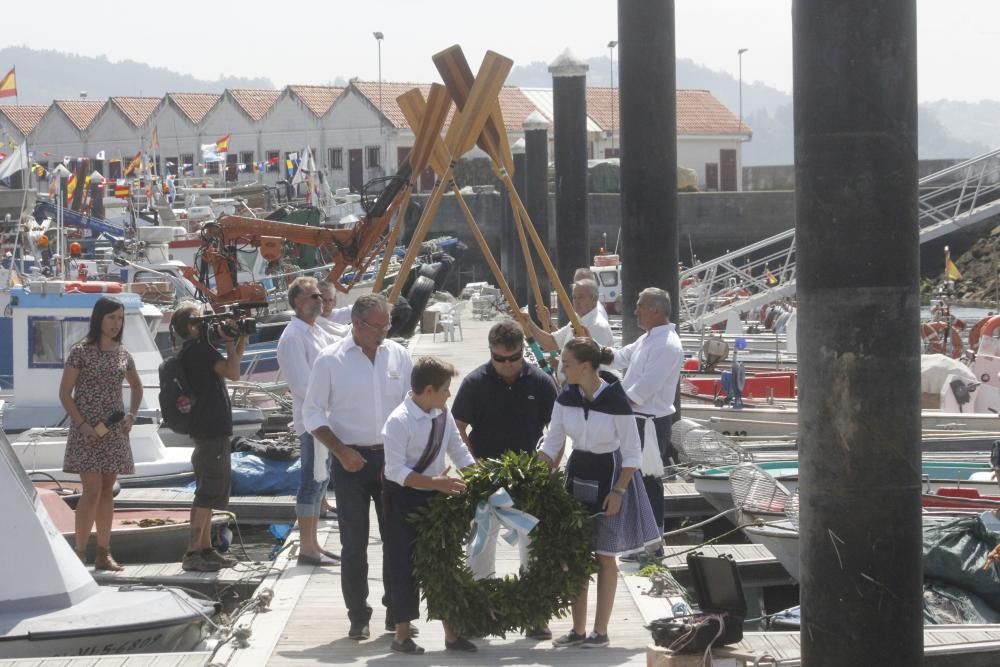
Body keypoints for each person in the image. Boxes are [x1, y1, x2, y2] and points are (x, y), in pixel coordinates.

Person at [303, 293, 413, 640]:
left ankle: (396, 614)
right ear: (356, 323)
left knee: (397, 540)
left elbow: (413, 407)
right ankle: (357, 615)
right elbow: (312, 415)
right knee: (354, 544)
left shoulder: (399, 355)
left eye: (387, 325)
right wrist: (340, 450)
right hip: (349, 459)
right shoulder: (329, 360)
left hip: (392, 460)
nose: (382, 333)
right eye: (376, 326)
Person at [540, 338, 661, 648]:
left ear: (585, 366)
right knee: (577, 556)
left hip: (610, 476)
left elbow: (632, 453)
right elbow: (552, 444)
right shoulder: (565, 397)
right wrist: (530, 473)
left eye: (566, 363)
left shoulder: (616, 401)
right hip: (577, 473)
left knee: (605, 556)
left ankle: (601, 631)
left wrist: (619, 491)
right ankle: (578, 630)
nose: (561, 368)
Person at [451, 319, 557, 640]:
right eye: (500, 359)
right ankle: (482, 612)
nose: (508, 365)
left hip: (528, 477)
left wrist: (549, 465)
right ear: (491, 353)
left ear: (522, 352)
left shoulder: (541, 382)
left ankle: (535, 615)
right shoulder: (474, 383)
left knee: (532, 547)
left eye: (514, 358)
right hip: (486, 478)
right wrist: (471, 466)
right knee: (480, 546)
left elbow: (558, 428)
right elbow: (457, 427)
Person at [382, 357, 478, 654]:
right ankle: (401, 636)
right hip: (401, 498)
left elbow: (457, 449)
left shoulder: (441, 413)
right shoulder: (398, 421)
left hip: (436, 493)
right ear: (427, 390)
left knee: (443, 562)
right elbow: (393, 471)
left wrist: (478, 477)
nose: (449, 394)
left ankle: (451, 635)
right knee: (403, 565)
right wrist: (435, 483)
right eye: (445, 389)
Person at [59, 297, 143, 571]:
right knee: (91, 491)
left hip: (114, 428)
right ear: (99, 319)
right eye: (111, 318)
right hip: (87, 430)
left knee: (108, 490)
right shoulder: (80, 351)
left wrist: (132, 415)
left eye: (119, 318)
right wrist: (82, 424)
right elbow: (64, 394)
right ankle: (80, 552)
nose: (116, 324)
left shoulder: (123, 353)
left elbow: (137, 387)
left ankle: (104, 553)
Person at [605, 287, 684, 556]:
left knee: (647, 480)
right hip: (637, 420)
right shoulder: (647, 339)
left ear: (656, 310)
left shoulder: (667, 345)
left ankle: (652, 543)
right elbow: (619, 357)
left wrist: (606, 405)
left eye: (640, 306)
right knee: (634, 479)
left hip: (650, 423)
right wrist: (594, 351)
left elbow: (642, 391)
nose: (635, 310)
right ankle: (641, 539)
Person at [170, 302, 247, 572]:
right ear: (192, 326)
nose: (210, 322)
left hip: (210, 430)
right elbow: (234, 372)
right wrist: (229, 342)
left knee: (212, 494)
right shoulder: (200, 351)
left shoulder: (197, 350)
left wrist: (241, 339)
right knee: (207, 494)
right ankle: (193, 553)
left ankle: (205, 548)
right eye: (204, 319)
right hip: (210, 431)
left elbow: (230, 367)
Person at [276, 276, 340, 566]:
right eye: (314, 297)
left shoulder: (315, 330)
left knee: (322, 478)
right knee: (311, 482)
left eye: (320, 296)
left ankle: (313, 543)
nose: (320, 301)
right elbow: (300, 385)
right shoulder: (292, 337)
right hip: (311, 421)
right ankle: (307, 547)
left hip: (326, 418)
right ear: (298, 303)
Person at [519, 279, 614, 354]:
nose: (576, 301)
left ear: (594, 298)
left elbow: (591, 365)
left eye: (580, 297)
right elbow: (551, 342)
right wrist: (531, 323)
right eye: (574, 297)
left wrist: (562, 362)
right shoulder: (578, 318)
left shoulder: (598, 326)